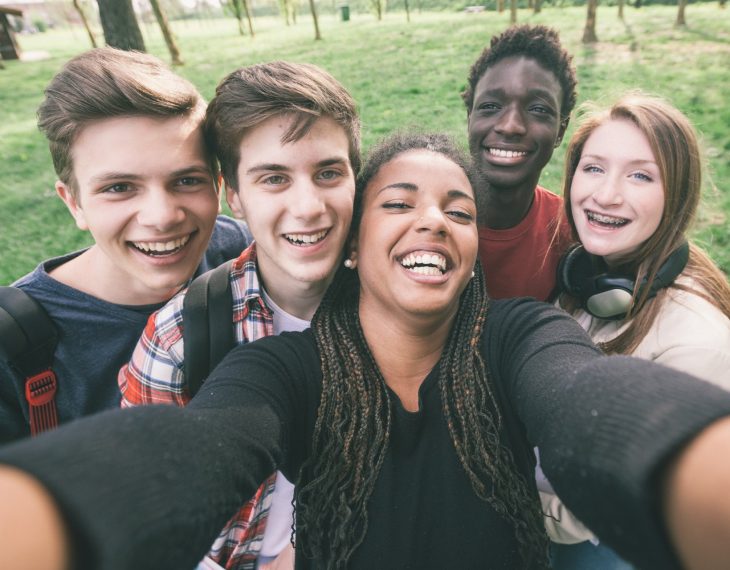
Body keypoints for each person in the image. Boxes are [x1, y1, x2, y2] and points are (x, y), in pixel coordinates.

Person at [3, 133, 730, 570]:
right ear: (352, 250)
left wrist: (695, 465)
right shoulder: (285, 370)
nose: (433, 223)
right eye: (399, 203)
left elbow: (588, 403)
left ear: (475, 251)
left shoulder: (520, 337)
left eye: (458, 210)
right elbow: (202, 445)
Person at [119, 61, 360, 570]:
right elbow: (146, 518)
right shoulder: (179, 339)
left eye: (329, 172)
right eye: (274, 178)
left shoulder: (397, 307)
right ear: (235, 196)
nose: (309, 206)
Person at [0, 48, 250, 443]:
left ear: (217, 186)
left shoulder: (243, 254)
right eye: (119, 188)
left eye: (187, 180)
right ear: (74, 203)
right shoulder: (13, 344)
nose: (162, 215)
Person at [540, 93, 730, 568]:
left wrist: (487, 496)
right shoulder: (582, 280)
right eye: (594, 168)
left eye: (640, 175)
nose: (605, 194)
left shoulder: (697, 342)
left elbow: (602, 506)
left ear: (677, 196)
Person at [462, 24, 576, 300]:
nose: (511, 126)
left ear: (560, 130)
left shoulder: (571, 233)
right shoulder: (423, 219)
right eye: (490, 106)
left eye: (538, 109)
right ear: (469, 118)